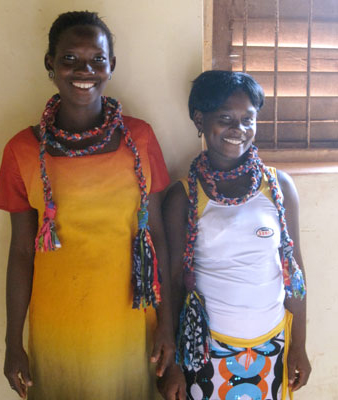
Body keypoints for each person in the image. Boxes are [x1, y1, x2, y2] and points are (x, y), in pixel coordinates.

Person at [0, 11, 175, 400]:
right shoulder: (21, 151)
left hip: (130, 325)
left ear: (112, 65)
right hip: (58, 329)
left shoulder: (139, 138)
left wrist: (167, 326)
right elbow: (22, 251)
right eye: (70, 59)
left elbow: (157, 237)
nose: (85, 70)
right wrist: (13, 343)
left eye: (97, 59)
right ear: (50, 64)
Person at [160, 71, 311, 400]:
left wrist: (298, 345)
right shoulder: (183, 197)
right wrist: (172, 364)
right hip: (205, 349)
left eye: (248, 119)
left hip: (271, 344)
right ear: (200, 120)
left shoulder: (278, 187)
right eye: (225, 118)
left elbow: (294, 272)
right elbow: (171, 282)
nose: (238, 130)